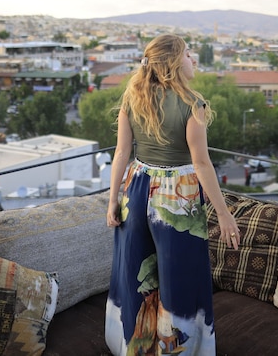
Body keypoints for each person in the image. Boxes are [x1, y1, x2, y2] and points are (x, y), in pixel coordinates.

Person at [105, 34, 240, 356]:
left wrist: (112, 200)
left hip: (136, 188)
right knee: (180, 275)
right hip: (177, 196)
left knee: (134, 272)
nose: (193, 59)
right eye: (188, 54)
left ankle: (132, 348)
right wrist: (224, 214)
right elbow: (201, 163)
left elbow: (121, 152)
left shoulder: (133, 97)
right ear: (174, 63)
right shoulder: (193, 104)